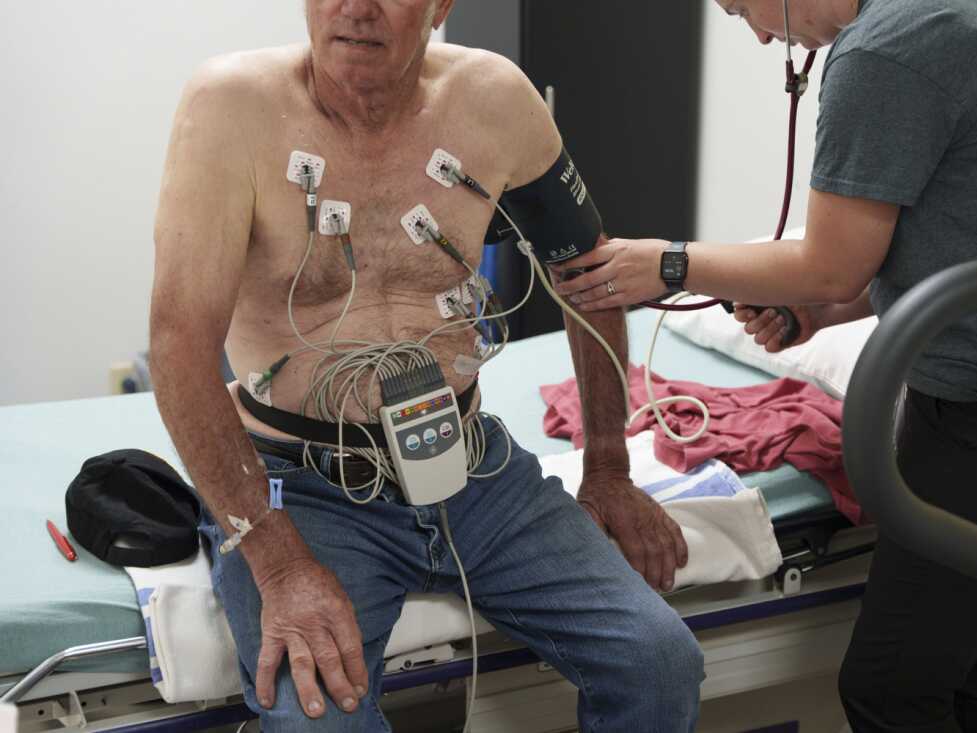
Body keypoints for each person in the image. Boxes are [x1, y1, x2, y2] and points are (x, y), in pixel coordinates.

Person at [149, 1, 704, 730]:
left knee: (659, 659)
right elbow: (178, 347)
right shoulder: (232, 109)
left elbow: (588, 273)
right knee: (322, 722)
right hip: (304, 488)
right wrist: (279, 564)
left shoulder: (495, 100)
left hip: (472, 469)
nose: (356, 8)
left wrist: (608, 465)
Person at [556, 0, 977, 730]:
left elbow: (832, 265)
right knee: (964, 664)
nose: (754, 33)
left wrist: (670, 264)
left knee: (890, 689)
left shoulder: (886, 49)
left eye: (743, 8)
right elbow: (965, 238)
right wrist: (818, 311)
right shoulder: (954, 20)